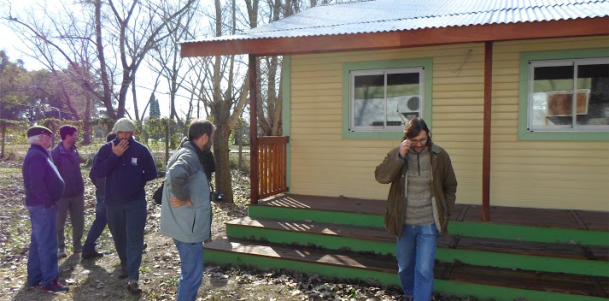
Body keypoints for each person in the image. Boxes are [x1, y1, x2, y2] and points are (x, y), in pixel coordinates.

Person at [374, 118, 457, 301]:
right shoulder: (397, 154)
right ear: (407, 139)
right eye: (415, 141)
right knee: (404, 267)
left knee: (424, 269)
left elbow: (450, 186)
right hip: (404, 222)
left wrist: (446, 210)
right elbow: (381, 177)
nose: (419, 144)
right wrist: (399, 157)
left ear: (428, 137)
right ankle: (410, 294)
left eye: (423, 140)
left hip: (429, 222)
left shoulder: (439, 156)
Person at [94, 118, 157, 295]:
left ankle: (133, 278)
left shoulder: (141, 150)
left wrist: (136, 181)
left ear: (133, 133)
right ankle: (125, 263)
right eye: (120, 133)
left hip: (135, 202)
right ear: (115, 132)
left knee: (135, 239)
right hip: (113, 202)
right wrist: (115, 156)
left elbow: (151, 173)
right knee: (119, 236)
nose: (124, 136)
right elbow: (98, 172)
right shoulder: (106, 149)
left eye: (127, 133)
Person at [160, 120, 214, 301]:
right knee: (192, 276)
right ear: (205, 137)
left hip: (185, 223)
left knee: (189, 273)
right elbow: (175, 175)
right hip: (188, 227)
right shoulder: (190, 155)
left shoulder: (186, 151)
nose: (211, 141)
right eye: (211, 137)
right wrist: (183, 197)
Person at [22, 126, 69, 292]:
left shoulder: (40, 153)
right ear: (41, 137)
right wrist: (47, 202)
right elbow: (36, 183)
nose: (51, 139)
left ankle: (35, 277)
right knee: (48, 243)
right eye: (49, 136)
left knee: (37, 242)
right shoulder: (36, 155)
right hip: (42, 206)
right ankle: (49, 281)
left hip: (39, 205)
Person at [51, 125, 85, 258]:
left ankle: (77, 246)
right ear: (68, 136)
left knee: (79, 221)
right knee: (59, 222)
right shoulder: (55, 153)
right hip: (62, 195)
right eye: (75, 135)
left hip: (77, 192)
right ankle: (60, 248)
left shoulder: (74, 150)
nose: (77, 137)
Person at [82, 132, 117, 259]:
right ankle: (131, 246)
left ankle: (88, 247)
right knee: (121, 221)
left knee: (100, 221)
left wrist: (99, 186)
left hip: (101, 193)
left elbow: (92, 174)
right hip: (113, 194)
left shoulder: (99, 154)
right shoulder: (117, 154)